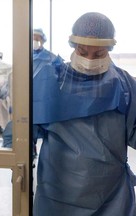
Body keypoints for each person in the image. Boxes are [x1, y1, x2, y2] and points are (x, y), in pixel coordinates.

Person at [33, 12, 136, 215]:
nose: (89, 60)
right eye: (83, 51)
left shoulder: (123, 84)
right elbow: (24, 130)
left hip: (111, 195)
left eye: (98, 54)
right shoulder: (52, 81)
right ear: (73, 46)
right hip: (59, 193)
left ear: (109, 50)